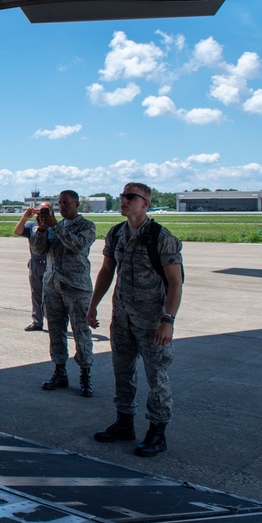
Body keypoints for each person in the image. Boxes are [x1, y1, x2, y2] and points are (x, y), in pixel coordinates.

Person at [88, 182, 183, 457]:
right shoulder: (116, 233)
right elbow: (107, 271)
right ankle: (124, 423)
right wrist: (93, 304)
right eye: (122, 196)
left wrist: (168, 319)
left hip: (153, 322)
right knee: (122, 371)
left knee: (157, 376)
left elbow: (175, 283)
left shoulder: (160, 237)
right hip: (122, 318)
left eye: (131, 197)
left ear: (145, 203)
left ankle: (157, 432)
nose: (124, 200)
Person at [32, 191, 97, 396]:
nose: (63, 206)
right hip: (53, 286)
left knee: (81, 332)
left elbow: (77, 246)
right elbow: (38, 250)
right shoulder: (53, 226)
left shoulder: (86, 226)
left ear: (77, 204)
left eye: (67, 203)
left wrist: (54, 226)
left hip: (76, 287)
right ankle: (59, 371)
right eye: (60, 203)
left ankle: (85, 374)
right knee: (55, 332)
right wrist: (41, 230)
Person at [15, 201, 50, 331]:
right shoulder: (32, 225)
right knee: (36, 294)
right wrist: (24, 218)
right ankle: (37, 321)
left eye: (46, 211)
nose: (42, 214)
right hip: (35, 264)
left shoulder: (55, 225)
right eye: (40, 211)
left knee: (51, 296)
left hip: (50, 264)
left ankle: (53, 322)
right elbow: (18, 231)